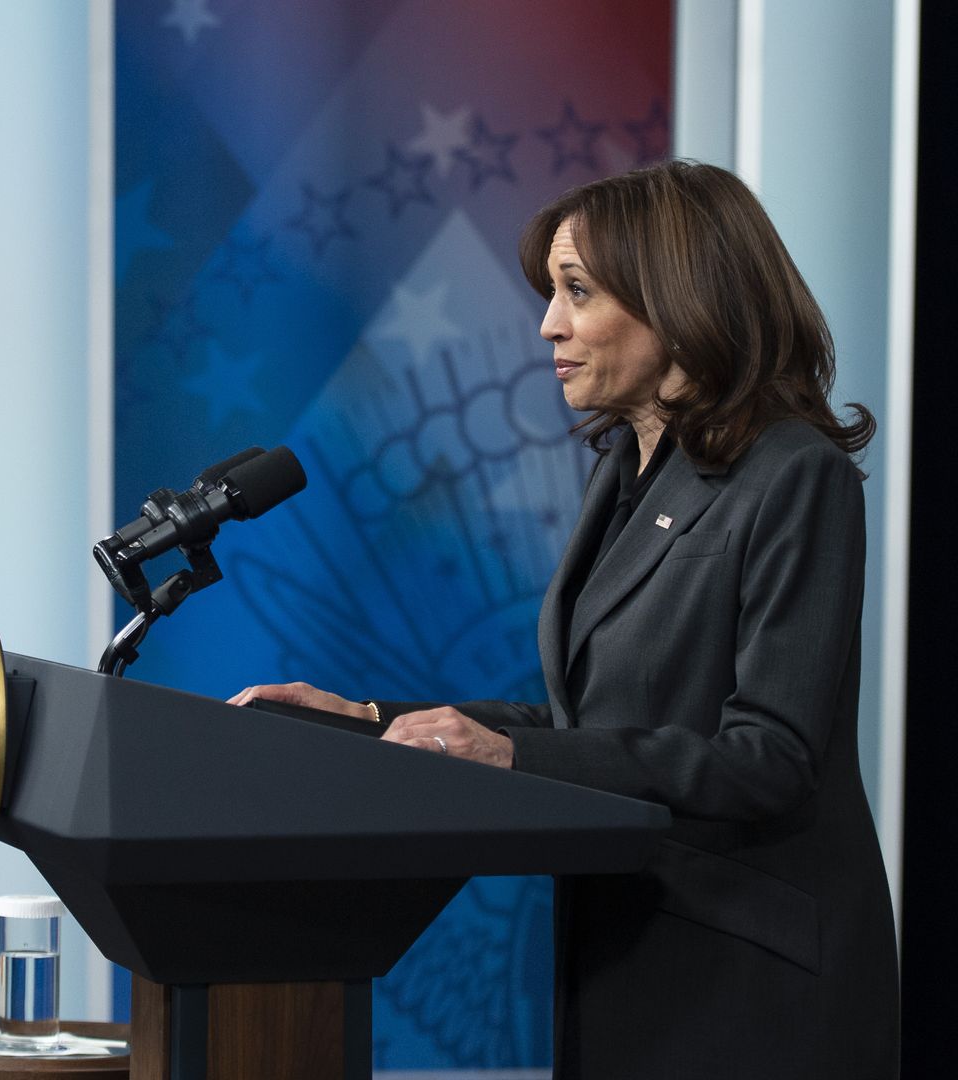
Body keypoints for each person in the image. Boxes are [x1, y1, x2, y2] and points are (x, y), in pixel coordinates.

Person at [230, 161, 899, 1078]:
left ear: (681, 299)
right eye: (552, 293)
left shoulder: (794, 474)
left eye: (576, 292)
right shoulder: (621, 472)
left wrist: (514, 756)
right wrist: (372, 723)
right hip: (625, 955)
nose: (548, 323)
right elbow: (588, 727)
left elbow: (770, 759)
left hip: (751, 983)